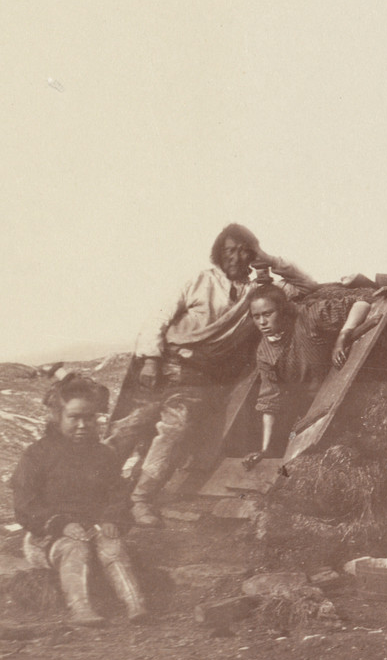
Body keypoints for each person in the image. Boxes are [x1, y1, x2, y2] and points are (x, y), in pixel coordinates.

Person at [131, 224, 314, 524]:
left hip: (207, 378)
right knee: (145, 428)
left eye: (245, 250)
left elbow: (308, 287)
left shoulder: (259, 292)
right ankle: (132, 497)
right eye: (230, 250)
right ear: (219, 252)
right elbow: (159, 317)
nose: (237, 257)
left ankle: (143, 497)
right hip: (171, 365)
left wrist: (269, 259)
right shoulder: (199, 280)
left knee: (183, 431)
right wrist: (151, 359)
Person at [11, 375, 146, 625]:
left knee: (112, 546)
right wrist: (60, 524)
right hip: (47, 536)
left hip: (91, 529)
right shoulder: (37, 455)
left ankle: (135, 604)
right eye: (74, 418)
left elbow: (118, 492)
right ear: (58, 417)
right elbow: (25, 503)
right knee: (74, 548)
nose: (83, 424)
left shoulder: (104, 455)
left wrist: (111, 518)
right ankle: (81, 609)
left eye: (89, 417)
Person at [242, 286, 327, 466]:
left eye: (268, 314)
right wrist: (264, 450)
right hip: (310, 409)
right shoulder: (264, 352)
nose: (262, 322)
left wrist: (343, 337)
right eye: (256, 317)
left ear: (283, 310)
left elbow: (360, 305)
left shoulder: (306, 320)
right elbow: (269, 399)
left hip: (335, 391)